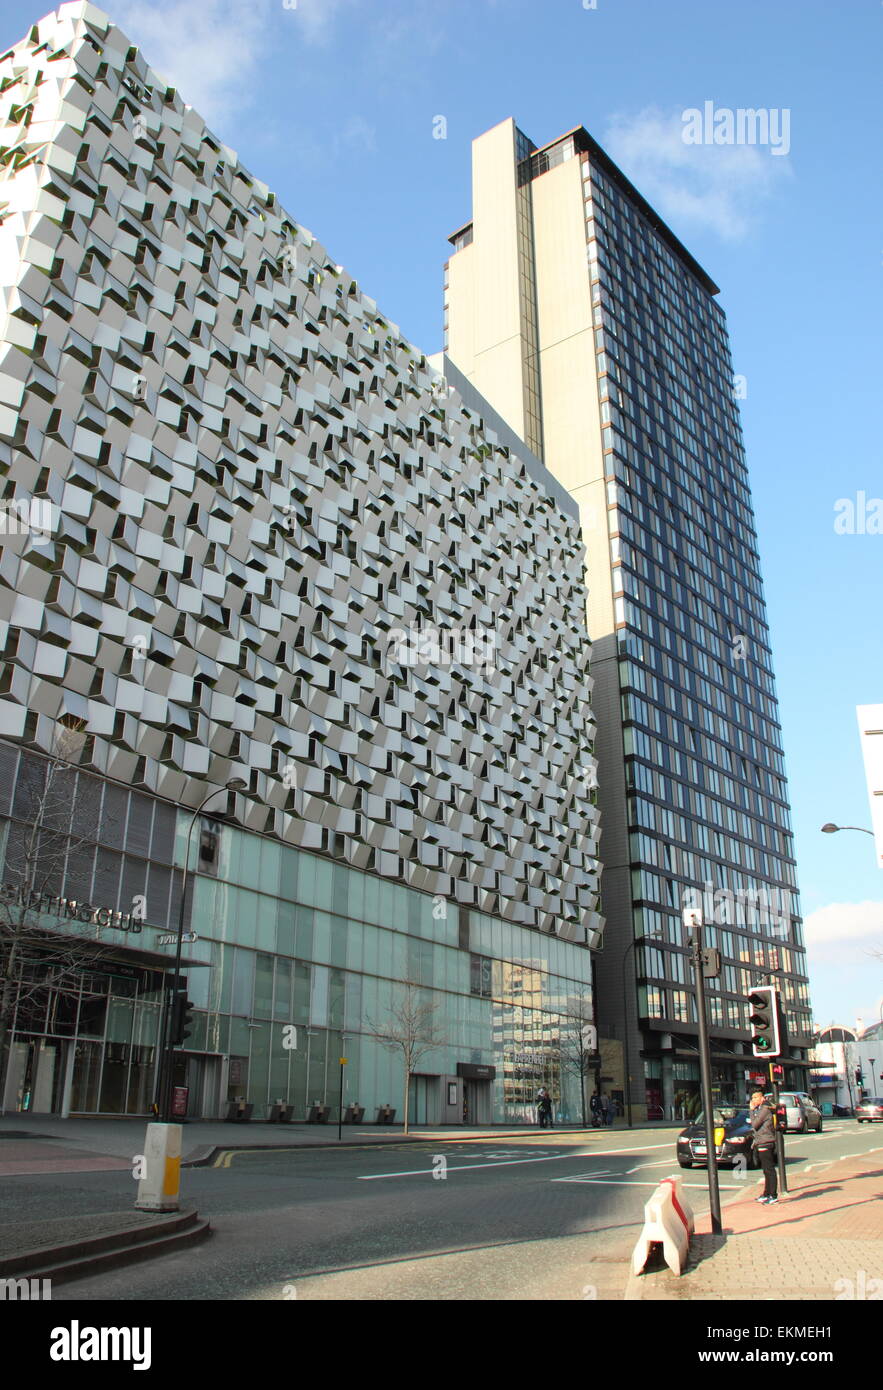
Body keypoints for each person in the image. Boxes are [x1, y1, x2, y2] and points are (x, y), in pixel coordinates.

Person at [749, 1089, 778, 1204]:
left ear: (762, 1098)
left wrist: (751, 1111)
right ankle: (767, 1193)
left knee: (769, 1169)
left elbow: (755, 1124)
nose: (753, 1100)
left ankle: (773, 1195)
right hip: (761, 1141)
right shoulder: (760, 1109)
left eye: (756, 1098)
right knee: (765, 1170)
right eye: (752, 1098)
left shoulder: (764, 1109)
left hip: (766, 1141)